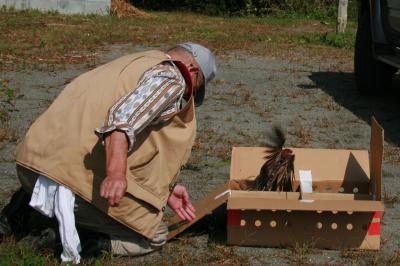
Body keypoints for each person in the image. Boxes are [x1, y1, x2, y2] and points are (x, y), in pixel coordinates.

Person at [0, 42, 217, 261]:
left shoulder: (128, 66)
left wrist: (165, 192)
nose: (190, 94)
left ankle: (16, 212)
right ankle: (71, 239)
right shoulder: (173, 79)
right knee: (154, 235)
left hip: (30, 166)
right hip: (68, 181)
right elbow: (121, 122)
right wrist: (115, 174)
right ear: (192, 70)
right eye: (196, 87)